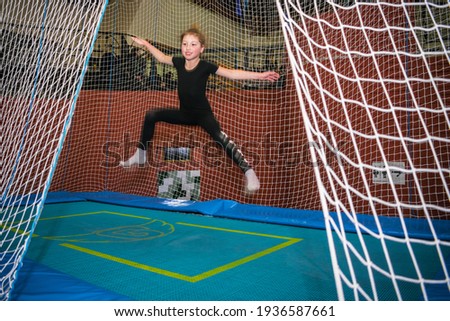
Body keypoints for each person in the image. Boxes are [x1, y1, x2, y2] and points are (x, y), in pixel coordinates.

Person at [120, 26, 280, 194]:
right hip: (184, 114)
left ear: (201, 48)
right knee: (151, 115)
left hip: (203, 115)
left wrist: (260, 75)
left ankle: (249, 171)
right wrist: (145, 43)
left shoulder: (206, 66)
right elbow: (160, 57)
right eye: (185, 44)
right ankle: (140, 153)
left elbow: (232, 74)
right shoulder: (179, 62)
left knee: (221, 139)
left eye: (193, 44)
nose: (188, 48)